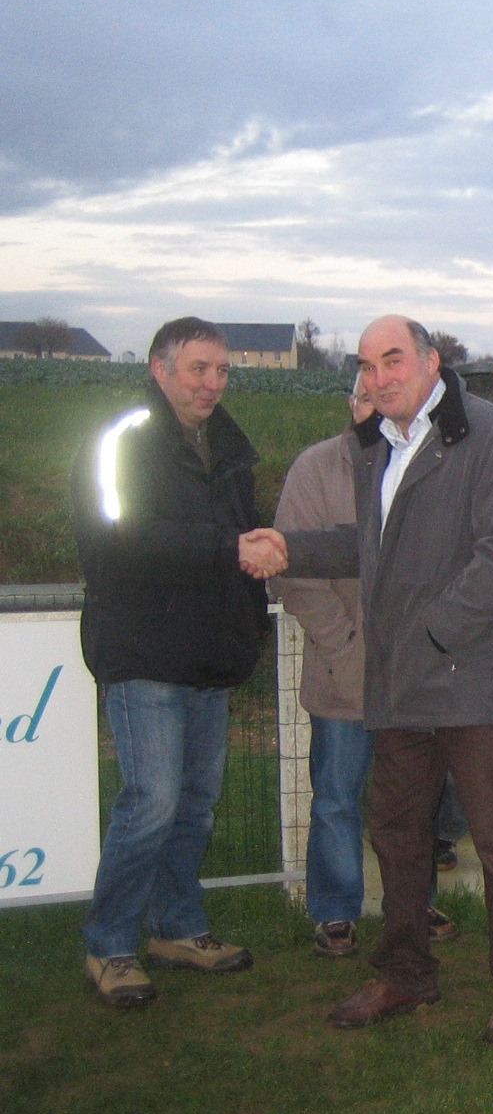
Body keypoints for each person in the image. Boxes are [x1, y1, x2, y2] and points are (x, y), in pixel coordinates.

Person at [251, 315, 493, 1043]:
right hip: (396, 681)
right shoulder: (376, 448)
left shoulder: (486, 433)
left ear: (431, 361)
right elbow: (365, 545)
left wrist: (435, 628)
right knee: (395, 829)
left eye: (393, 360)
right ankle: (404, 974)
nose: (378, 377)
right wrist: (288, 546)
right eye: (367, 365)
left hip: (466, 674)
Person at [72, 317, 263, 1007]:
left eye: (221, 371)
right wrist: (230, 547)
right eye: (198, 369)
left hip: (209, 655)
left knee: (196, 808)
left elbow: (242, 541)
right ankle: (110, 944)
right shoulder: (122, 440)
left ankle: (177, 928)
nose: (213, 383)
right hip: (144, 649)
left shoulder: (233, 448)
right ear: (161, 369)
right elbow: (114, 543)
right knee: (150, 802)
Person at [274, 384, 457, 956]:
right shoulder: (316, 468)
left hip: (413, 672)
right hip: (343, 674)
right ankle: (335, 911)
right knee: (336, 796)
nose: (375, 411)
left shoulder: (432, 465)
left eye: (388, 398)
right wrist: (345, 642)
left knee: (413, 796)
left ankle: (413, 902)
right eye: (364, 400)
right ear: (350, 407)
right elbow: (292, 568)